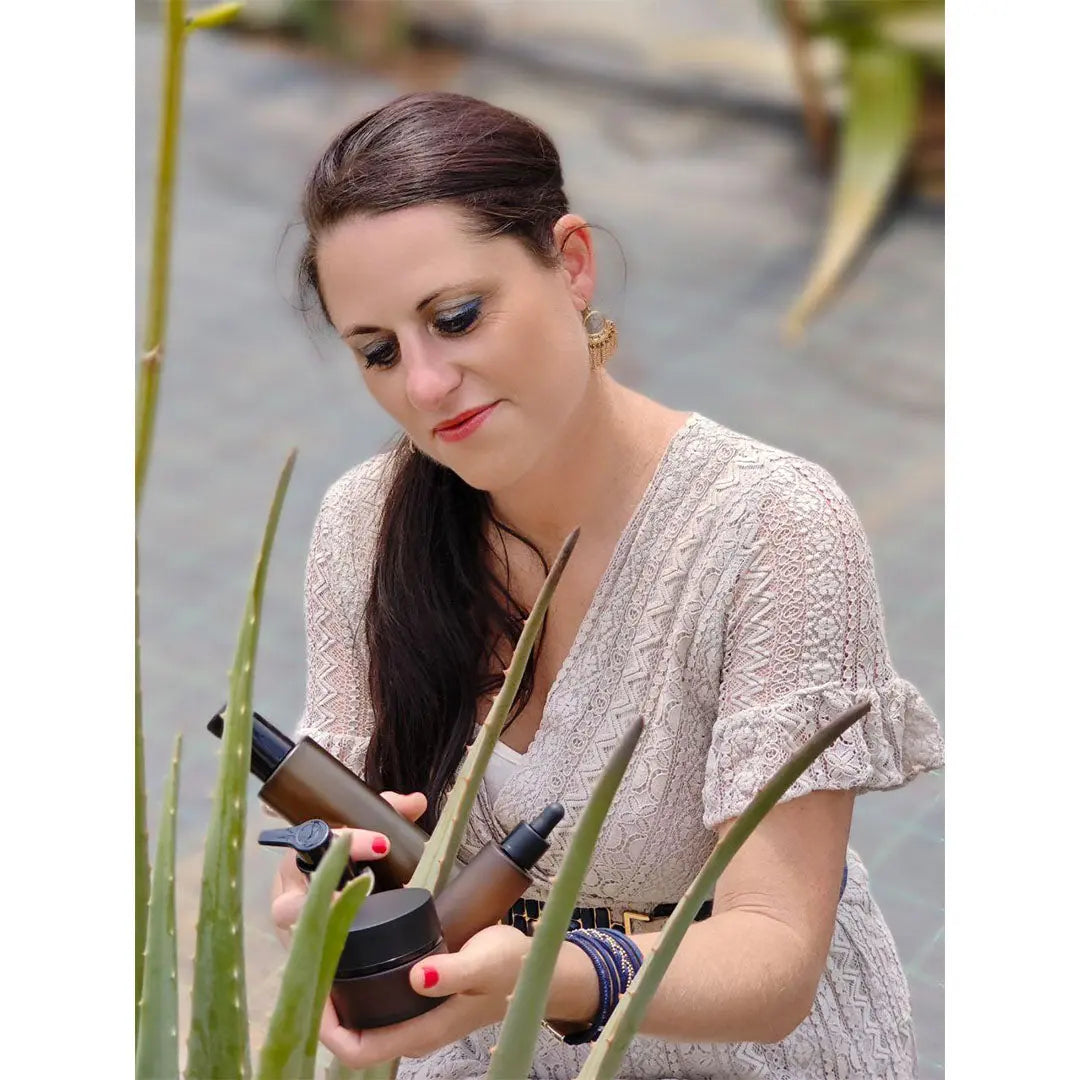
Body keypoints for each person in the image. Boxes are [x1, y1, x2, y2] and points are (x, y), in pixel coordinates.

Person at [269, 91, 945, 1080]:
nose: (423, 385)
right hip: (472, 1043)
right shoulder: (364, 528)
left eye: (456, 318)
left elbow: (776, 956)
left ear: (572, 264)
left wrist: (546, 975)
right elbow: (352, 823)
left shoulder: (769, 528)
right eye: (377, 350)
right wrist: (321, 893)